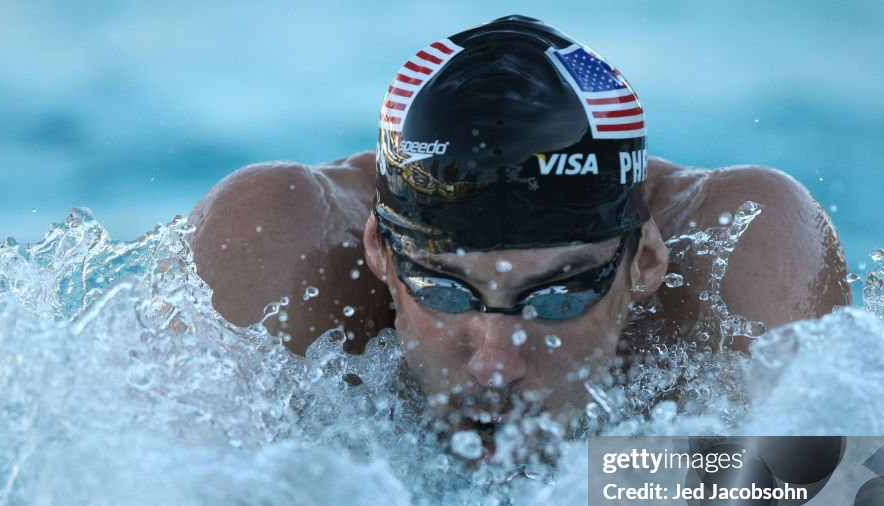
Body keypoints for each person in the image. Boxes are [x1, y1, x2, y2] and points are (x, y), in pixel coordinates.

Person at [188, 15, 848, 429]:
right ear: (380, 251)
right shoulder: (274, 237)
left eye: (559, 294)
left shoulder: (745, 243)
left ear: (645, 260)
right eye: (444, 290)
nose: (497, 364)